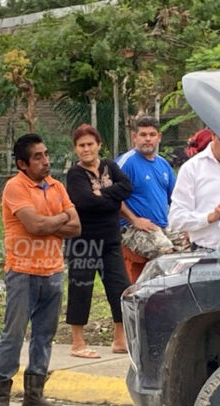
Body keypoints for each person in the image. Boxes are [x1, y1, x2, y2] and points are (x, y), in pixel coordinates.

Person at [0, 133, 81, 406]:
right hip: (22, 272)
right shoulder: (15, 187)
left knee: (44, 335)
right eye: (38, 157)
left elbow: (76, 227)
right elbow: (34, 225)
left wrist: (48, 225)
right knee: (13, 335)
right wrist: (57, 221)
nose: (45, 160)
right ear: (22, 164)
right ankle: (0, 398)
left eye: (46, 154)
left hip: (53, 272)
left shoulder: (56, 186)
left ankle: (34, 396)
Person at [64, 124, 133, 358]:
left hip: (111, 239)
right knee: (81, 288)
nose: (86, 149)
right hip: (83, 241)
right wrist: (112, 199)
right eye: (81, 145)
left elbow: (127, 188)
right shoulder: (75, 174)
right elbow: (83, 201)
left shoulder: (110, 166)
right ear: (75, 149)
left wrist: (102, 195)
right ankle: (77, 342)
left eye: (90, 144)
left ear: (98, 145)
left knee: (120, 287)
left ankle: (120, 339)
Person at [116, 116, 178, 282]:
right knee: (168, 255)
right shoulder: (126, 163)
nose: (148, 139)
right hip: (133, 229)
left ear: (159, 137)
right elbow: (110, 197)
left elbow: (177, 198)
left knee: (192, 248)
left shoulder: (163, 164)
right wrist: (134, 220)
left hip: (162, 226)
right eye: (143, 135)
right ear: (134, 137)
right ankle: (146, 291)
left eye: (152, 134)